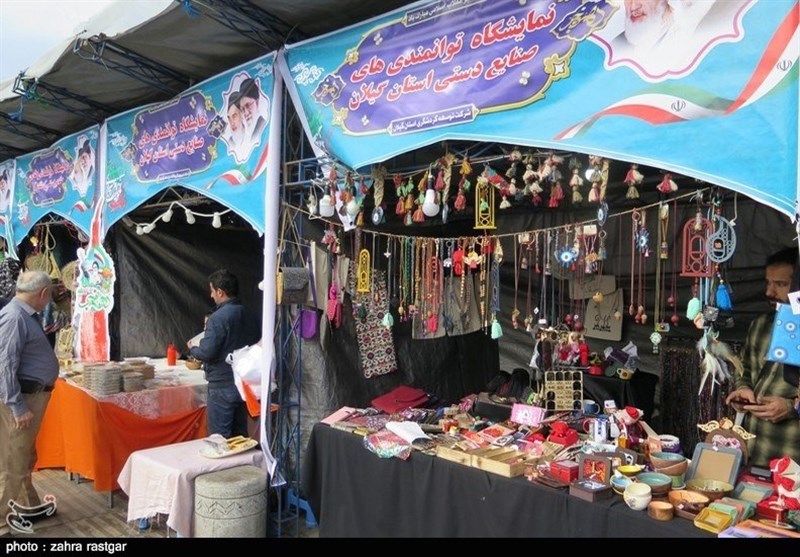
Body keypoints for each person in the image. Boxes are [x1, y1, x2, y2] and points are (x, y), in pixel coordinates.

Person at [725, 247, 800, 468]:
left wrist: (791, 408)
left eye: (781, 284)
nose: (769, 291)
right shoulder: (760, 325)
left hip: (792, 456)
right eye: (768, 283)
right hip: (754, 450)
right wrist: (743, 389)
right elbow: (744, 368)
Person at [0, 271, 59, 537]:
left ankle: (27, 505)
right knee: (12, 461)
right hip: (23, 398)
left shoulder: (22, 314)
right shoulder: (15, 317)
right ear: (43, 293)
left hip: (28, 395)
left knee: (23, 456)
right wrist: (18, 406)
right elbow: (5, 364)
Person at [188, 269, 260, 438]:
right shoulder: (250, 314)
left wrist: (193, 348)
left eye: (212, 291)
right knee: (240, 436)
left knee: (219, 438)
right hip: (242, 383)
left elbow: (207, 352)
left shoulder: (218, 318)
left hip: (222, 384)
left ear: (220, 292)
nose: (211, 295)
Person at [235, 77, 267, 143]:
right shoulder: (246, 136)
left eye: (248, 105)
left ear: (257, 102)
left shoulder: (264, 127)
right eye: (242, 109)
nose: (246, 113)